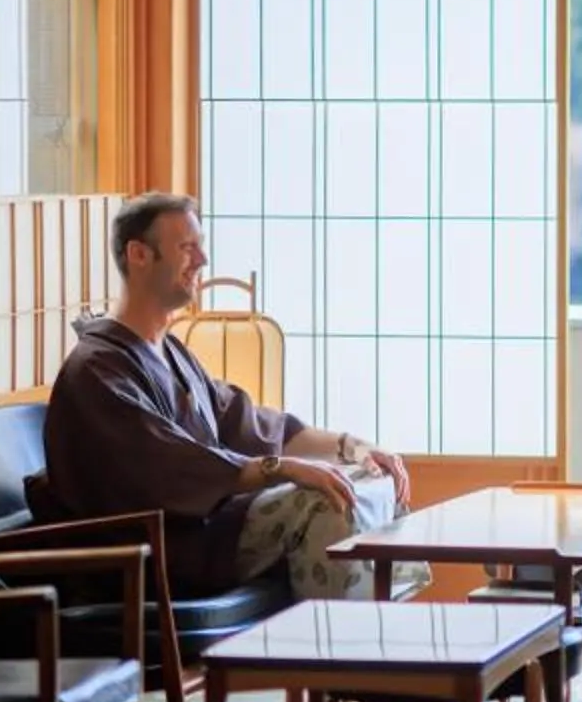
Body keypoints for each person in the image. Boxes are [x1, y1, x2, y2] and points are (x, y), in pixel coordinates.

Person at [39, 192, 419, 599]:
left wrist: (354, 448)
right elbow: (172, 468)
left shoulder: (170, 352)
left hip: (210, 528)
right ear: (139, 255)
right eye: (187, 247)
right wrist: (284, 469)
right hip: (164, 548)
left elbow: (253, 425)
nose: (202, 260)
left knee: (367, 479)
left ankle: (374, 629)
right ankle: (331, 638)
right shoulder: (97, 370)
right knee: (327, 499)